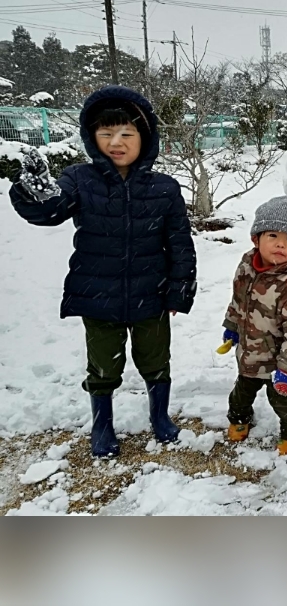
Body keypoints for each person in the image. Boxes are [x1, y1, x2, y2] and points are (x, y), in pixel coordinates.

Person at [9, 85, 197, 456]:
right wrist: (35, 192)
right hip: (98, 294)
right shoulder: (80, 180)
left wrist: (180, 289)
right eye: (106, 132)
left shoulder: (164, 188)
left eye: (127, 133)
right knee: (103, 366)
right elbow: (49, 211)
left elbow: (180, 243)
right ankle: (102, 425)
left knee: (155, 361)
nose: (117, 141)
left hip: (151, 293)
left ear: (145, 138)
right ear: (92, 138)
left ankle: (159, 418)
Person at [222, 196, 287, 456]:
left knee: (284, 402)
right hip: (250, 351)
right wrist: (232, 325)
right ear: (256, 239)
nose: (281, 244)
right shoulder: (247, 266)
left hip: (284, 362)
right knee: (241, 393)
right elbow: (239, 299)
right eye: (273, 235)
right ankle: (239, 418)